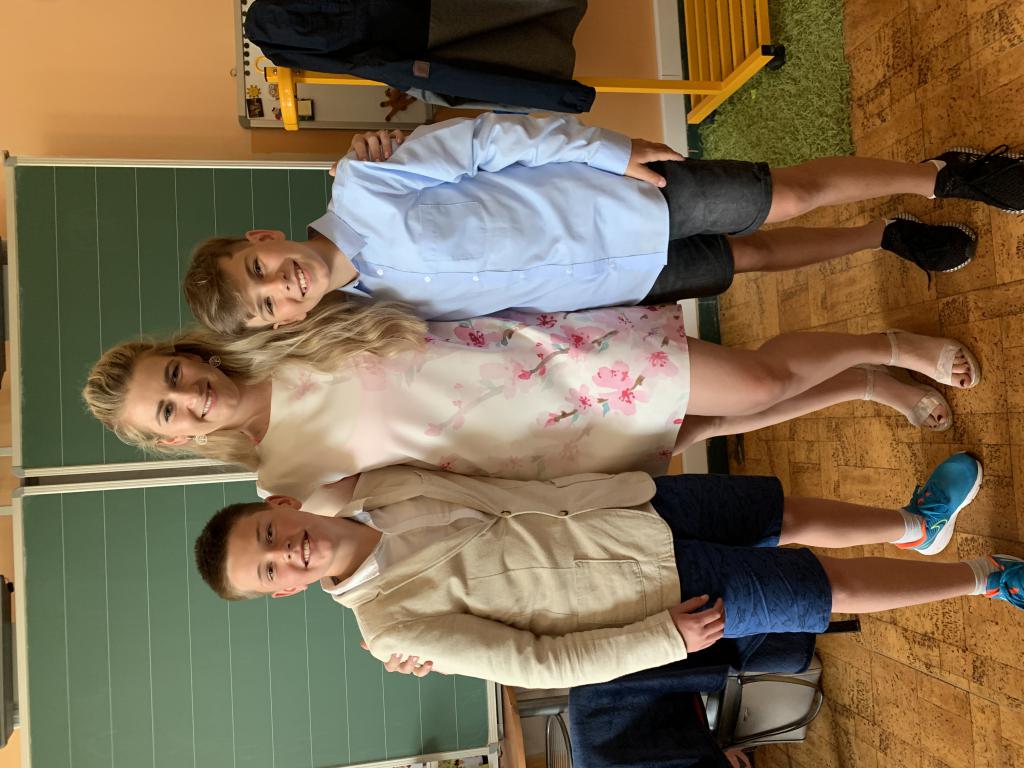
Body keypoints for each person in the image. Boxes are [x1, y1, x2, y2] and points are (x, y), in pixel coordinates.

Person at [192, 452, 1024, 690]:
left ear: (284, 506)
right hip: (652, 594)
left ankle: (917, 526)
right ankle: (986, 576)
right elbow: (533, 663)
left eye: (270, 534)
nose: (286, 552)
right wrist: (659, 641)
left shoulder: (381, 483)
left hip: (627, 501)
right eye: (270, 571)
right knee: (822, 588)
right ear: (285, 591)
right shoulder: (389, 628)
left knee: (783, 512)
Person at [83, 296, 979, 507]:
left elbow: (366, 259)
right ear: (173, 440)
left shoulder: (283, 329)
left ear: (183, 354)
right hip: (538, 455)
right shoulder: (281, 483)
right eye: (168, 413)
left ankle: (889, 347)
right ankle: (865, 386)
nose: (188, 398)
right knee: (723, 419)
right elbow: (373, 541)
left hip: (549, 362)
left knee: (756, 379)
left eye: (173, 377)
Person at [179, 112, 1023, 333]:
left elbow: (490, 143)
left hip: (625, 198)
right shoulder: (375, 320)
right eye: (267, 306)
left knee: (790, 195)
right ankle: (887, 236)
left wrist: (610, 152)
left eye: (259, 272)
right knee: (759, 257)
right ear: (282, 323)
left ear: (263, 240)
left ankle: (947, 175)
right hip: (620, 279)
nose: (281, 286)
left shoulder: (365, 180)